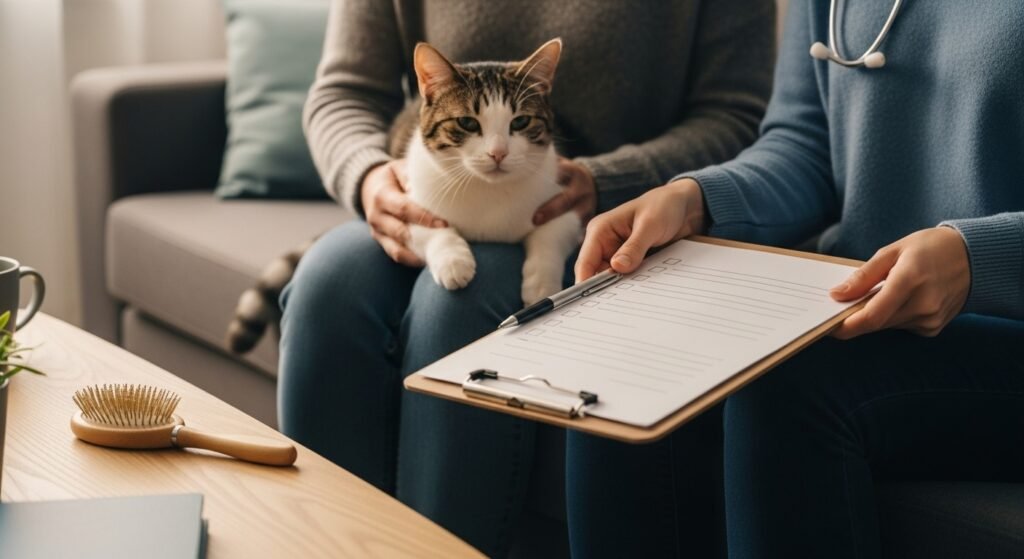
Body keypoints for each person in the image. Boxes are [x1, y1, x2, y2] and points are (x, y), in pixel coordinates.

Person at [279, 0, 776, 555]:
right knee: (328, 284)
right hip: (432, 187)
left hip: (603, 211)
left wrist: (611, 180)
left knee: (463, 306)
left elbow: (736, 116)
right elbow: (342, 93)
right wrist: (367, 176)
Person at [568, 0, 1024, 557]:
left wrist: (980, 259)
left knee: (789, 380)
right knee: (631, 344)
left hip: (1006, 331)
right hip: (863, 304)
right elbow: (806, 145)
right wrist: (694, 201)